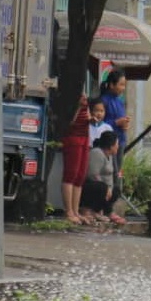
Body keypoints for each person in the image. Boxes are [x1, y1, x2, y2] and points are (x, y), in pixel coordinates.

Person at [59, 94, 91, 225]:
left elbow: (87, 114)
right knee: (71, 174)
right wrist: (77, 107)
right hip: (73, 136)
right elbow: (68, 121)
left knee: (80, 176)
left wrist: (90, 117)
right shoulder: (69, 94)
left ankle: (76, 210)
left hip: (84, 136)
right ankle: (69, 211)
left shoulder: (83, 95)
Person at [81, 132, 125, 225]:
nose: (118, 146)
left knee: (116, 190)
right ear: (111, 145)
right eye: (116, 144)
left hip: (104, 188)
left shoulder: (111, 156)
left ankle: (103, 211)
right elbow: (92, 174)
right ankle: (88, 210)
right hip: (89, 187)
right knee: (102, 188)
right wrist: (106, 187)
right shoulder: (97, 153)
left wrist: (110, 188)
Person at [100, 69, 130, 191]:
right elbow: (99, 123)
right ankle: (110, 201)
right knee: (112, 173)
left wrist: (125, 124)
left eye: (125, 85)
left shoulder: (120, 101)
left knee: (119, 172)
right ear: (112, 85)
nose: (123, 88)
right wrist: (116, 122)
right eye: (121, 84)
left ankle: (117, 194)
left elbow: (121, 120)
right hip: (109, 144)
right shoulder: (104, 101)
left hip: (120, 142)